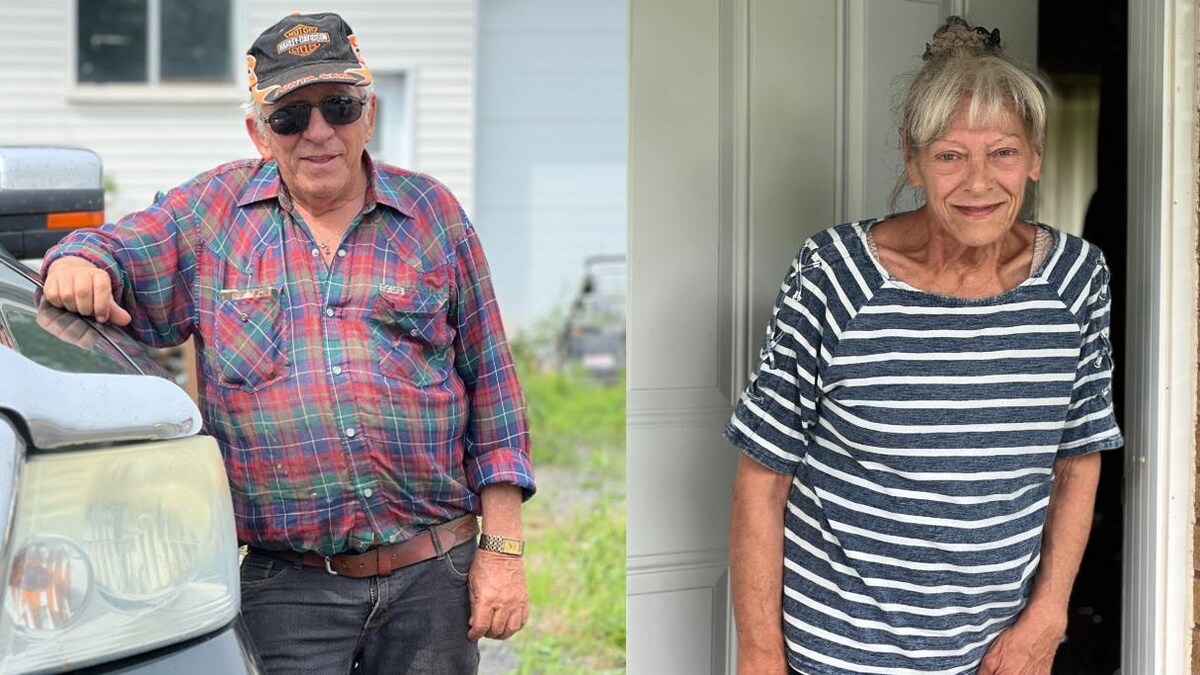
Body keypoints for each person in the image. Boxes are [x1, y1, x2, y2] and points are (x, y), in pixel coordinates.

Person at [40, 11, 534, 674]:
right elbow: (105, 249)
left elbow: (494, 390)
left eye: (338, 105)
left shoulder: (433, 217)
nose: (319, 132)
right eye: (290, 115)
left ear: (369, 113)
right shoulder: (210, 217)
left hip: (433, 577)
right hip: (289, 589)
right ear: (258, 131)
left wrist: (501, 552)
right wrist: (78, 262)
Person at [725, 16, 1121, 675]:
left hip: (997, 656)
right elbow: (763, 477)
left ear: (1036, 158)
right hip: (839, 654)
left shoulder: (1079, 279)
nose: (977, 181)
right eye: (949, 155)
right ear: (912, 160)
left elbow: (1078, 459)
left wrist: (1048, 616)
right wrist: (761, 657)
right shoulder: (832, 272)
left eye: (1002, 152)